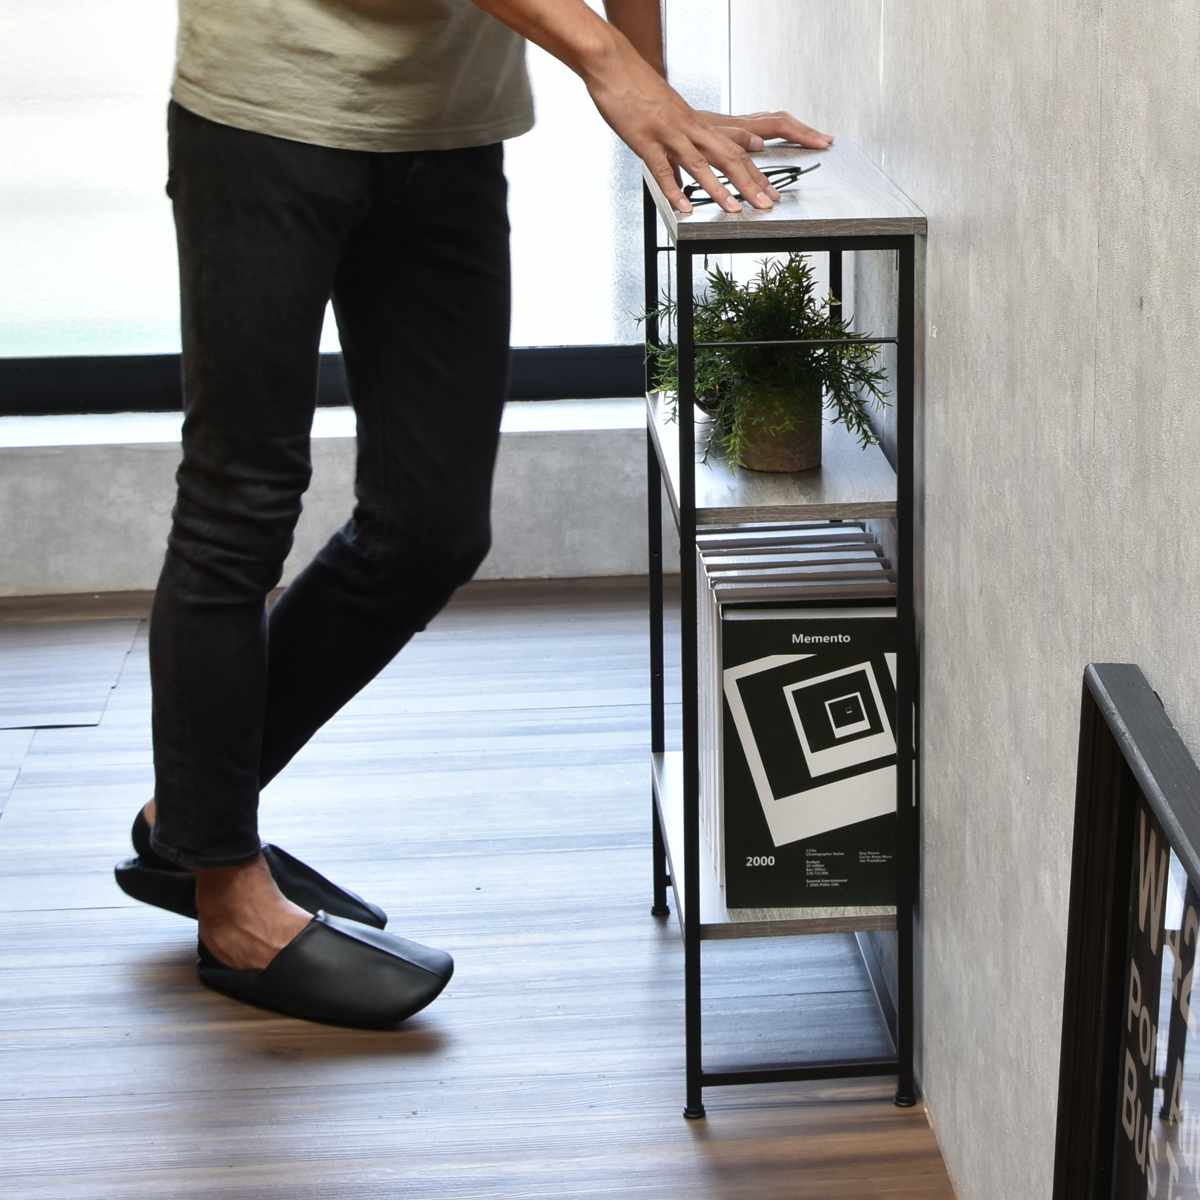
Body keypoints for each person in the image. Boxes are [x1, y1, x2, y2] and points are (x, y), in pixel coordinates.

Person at [114, 0, 834, 1029]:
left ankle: (187, 819)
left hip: (446, 129)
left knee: (431, 529)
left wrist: (656, 95)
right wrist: (604, 58)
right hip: (266, 117)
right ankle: (227, 895)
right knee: (240, 503)